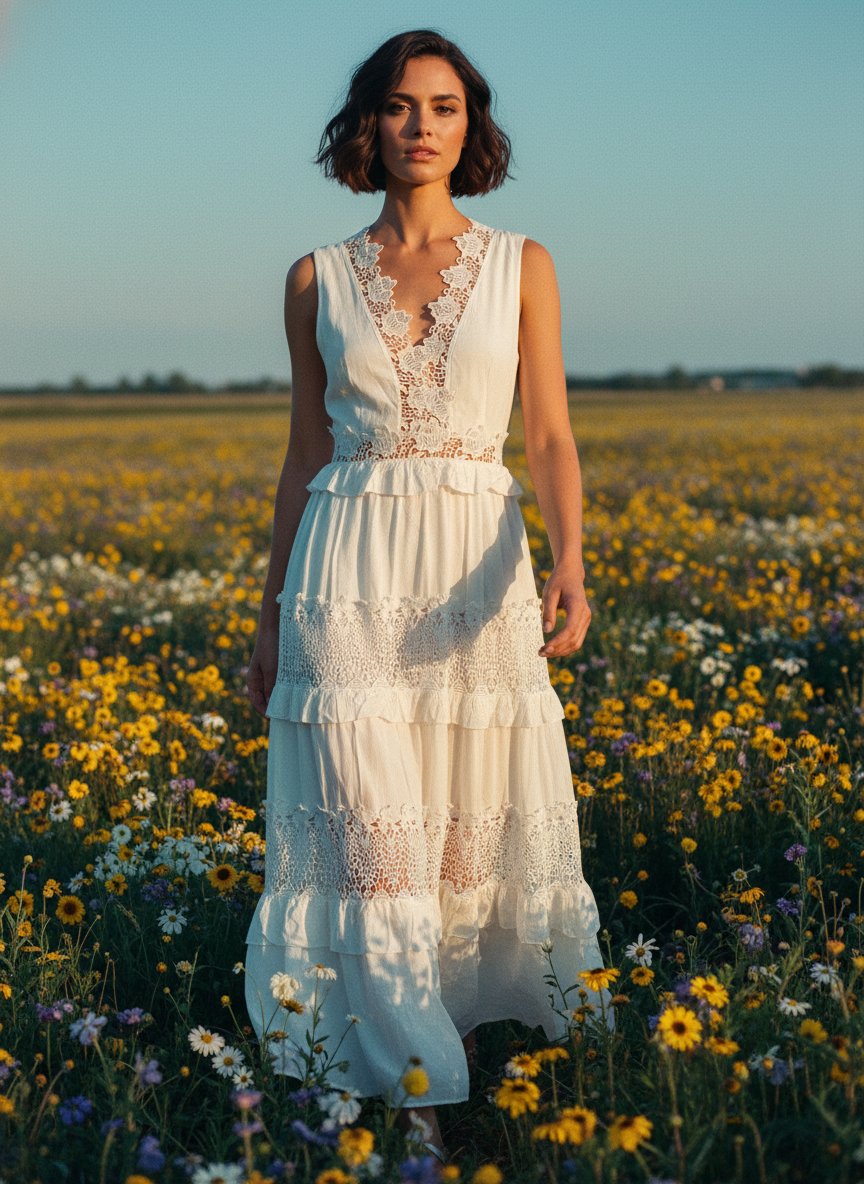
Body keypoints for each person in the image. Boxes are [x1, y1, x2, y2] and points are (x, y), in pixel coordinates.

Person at [243, 29, 604, 1162]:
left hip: (470, 561)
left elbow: (546, 431)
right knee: (370, 832)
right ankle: (417, 1095)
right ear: (367, 123)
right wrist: (267, 615)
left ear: (470, 124)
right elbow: (304, 454)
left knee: (460, 818)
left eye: (444, 107)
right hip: (344, 567)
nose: (421, 126)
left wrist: (571, 560)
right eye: (400, 107)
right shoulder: (314, 276)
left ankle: (454, 1036)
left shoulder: (523, 264)